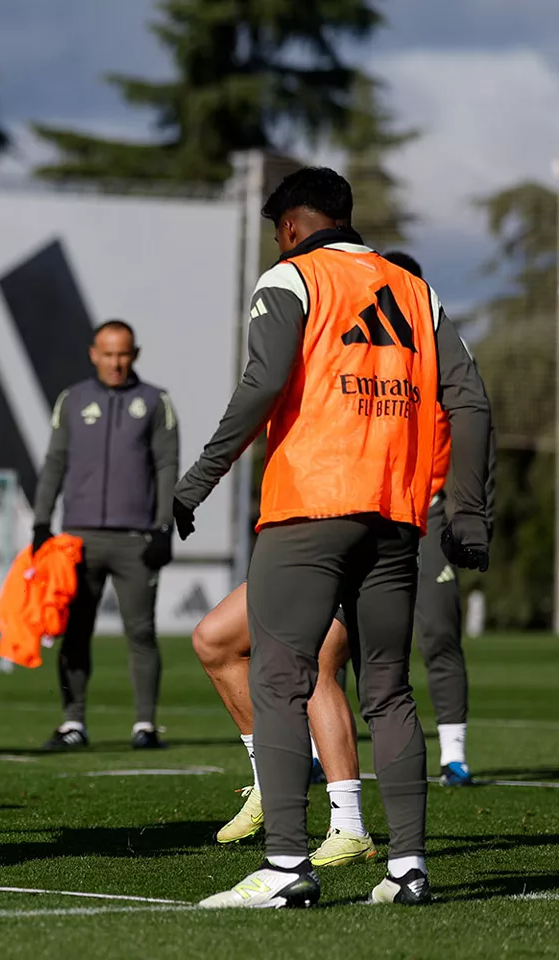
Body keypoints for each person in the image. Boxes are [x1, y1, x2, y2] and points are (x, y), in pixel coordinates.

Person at [175, 167, 491, 908]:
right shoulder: (419, 291)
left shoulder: (289, 279)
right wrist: (470, 512)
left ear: (289, 227)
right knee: (388, 690)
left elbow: (261, 386)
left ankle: (287, 869)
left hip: (311, 507)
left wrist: (196, 482)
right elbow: (470, 401)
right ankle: (409, 869)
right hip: (398, 517)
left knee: (279, 679)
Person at [31, 320, 179, 749]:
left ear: (134, 354)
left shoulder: (156, 401)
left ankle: (145, 726)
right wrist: (42, 522)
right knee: (75, 631)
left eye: (123, 354)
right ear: (94, 353)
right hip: (78, 539)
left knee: (142, 632)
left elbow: (167, 466)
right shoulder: (72, 400)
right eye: (108, 353)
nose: (116, 362)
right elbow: (54, 463)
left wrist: (163, 526)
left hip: (137, 539)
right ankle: (73, 723)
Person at [383, 250, 486, 787]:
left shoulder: (443, 352)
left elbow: (470, 424)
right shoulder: (358, 349)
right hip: (367, 513)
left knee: (440, 633)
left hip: (426, 515)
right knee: (340, 639)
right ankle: (318, 752)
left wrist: (462, 511)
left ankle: (454, 755)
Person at [193, 586, 378, 868]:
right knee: (213, 640)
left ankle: (349, 825)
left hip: (344, 557)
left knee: (315, 663)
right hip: (289, 552)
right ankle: (268, 780)